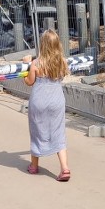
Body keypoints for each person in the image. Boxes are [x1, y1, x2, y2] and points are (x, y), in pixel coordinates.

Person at [23, 29, 70, 181]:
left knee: (36, 131)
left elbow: (29, 82)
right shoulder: (62, 62)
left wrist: (26, 65)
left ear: (42, 45)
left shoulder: (36, 63)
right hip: (57, 101)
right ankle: (64, 168)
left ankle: (34, 165)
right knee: (58, 132)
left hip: (39, 101)